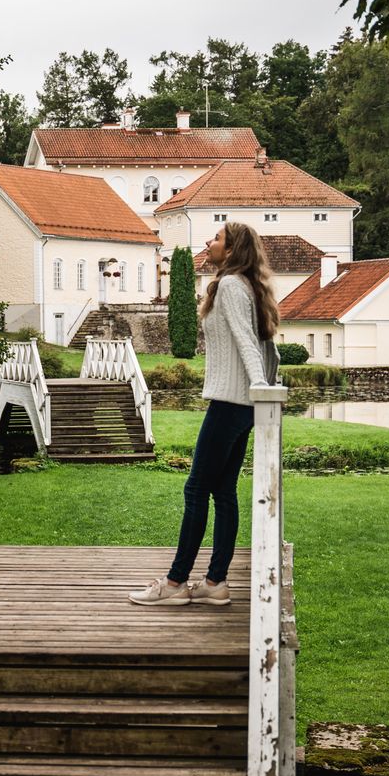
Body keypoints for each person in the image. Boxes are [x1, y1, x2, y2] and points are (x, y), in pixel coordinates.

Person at [129, 223, 279, 607]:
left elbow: (248, 342)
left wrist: (261, 386)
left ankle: (175, 583)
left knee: (196, 489)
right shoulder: (247, 286)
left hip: (230, 404)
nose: (209, 243)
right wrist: (262, 389)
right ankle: (215, 582)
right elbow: (269, 348)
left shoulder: (231, 286)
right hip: (243, 404)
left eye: (217, 239)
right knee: (223, 492)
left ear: (230, 251)